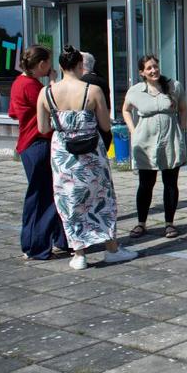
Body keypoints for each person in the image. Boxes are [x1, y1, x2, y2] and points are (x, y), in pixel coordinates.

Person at [36, 45, 136, 270]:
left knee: (69, 200)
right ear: (80, 65)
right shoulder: (93, 91)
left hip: (63, 155)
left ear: (61, 66)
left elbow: (43, 128)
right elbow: (105, 125)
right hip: (91, 153)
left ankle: (79, 253)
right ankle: (111, 249)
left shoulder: (46, 93)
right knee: (102, 199)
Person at [9, 45, 67, 260]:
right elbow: (55, 105)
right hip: (39, 143)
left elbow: (13, 113)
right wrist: (52, 82)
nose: (51, 66)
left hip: (27, 144)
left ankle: (60, 240)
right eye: (48, 62)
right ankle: (37, 247)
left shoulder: (19, 83)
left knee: (41, 194)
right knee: (44, 198)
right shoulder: (32, 86)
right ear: (41, 64)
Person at [121, 55, 187, 239]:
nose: (154, 70)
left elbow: (183, 108)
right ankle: (141, 223)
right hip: (145, 141)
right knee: (146, 184)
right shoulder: (136, 91)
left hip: (170, 139)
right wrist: (133, 130)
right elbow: (125, 110)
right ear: (142, 72)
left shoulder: (174, 86)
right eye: (149, 68)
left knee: (170, 183)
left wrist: (182, 129)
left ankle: (169, 223)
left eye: (155, 66)